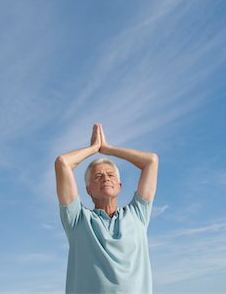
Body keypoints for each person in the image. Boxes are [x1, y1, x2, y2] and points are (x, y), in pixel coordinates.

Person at [55, 123, 158, 294]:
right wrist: (94, 148)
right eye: (98, 176)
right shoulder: (77, 220)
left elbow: (151, 161)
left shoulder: (137, 214)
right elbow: (62, 163)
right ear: (88, 189)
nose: (105, 178)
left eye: (110, 175)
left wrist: (108, 149)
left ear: (119, 185)